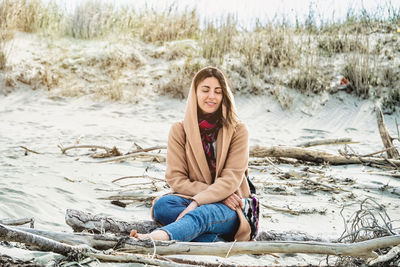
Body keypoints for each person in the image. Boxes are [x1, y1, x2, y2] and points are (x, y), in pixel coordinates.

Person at [130, 66, 252, 242]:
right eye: (205, 90)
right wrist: (214, 196)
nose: (211, 96)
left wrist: (197, 202)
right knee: (163, 206)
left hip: (233, 207)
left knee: (203, 212)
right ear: (195, 93)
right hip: (222, 198)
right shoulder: (179, 130)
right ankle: (211, 241)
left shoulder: (238, 130)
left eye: (218, 91)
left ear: (224, 95)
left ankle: (154, 238)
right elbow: (176, 179)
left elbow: (231, 179)